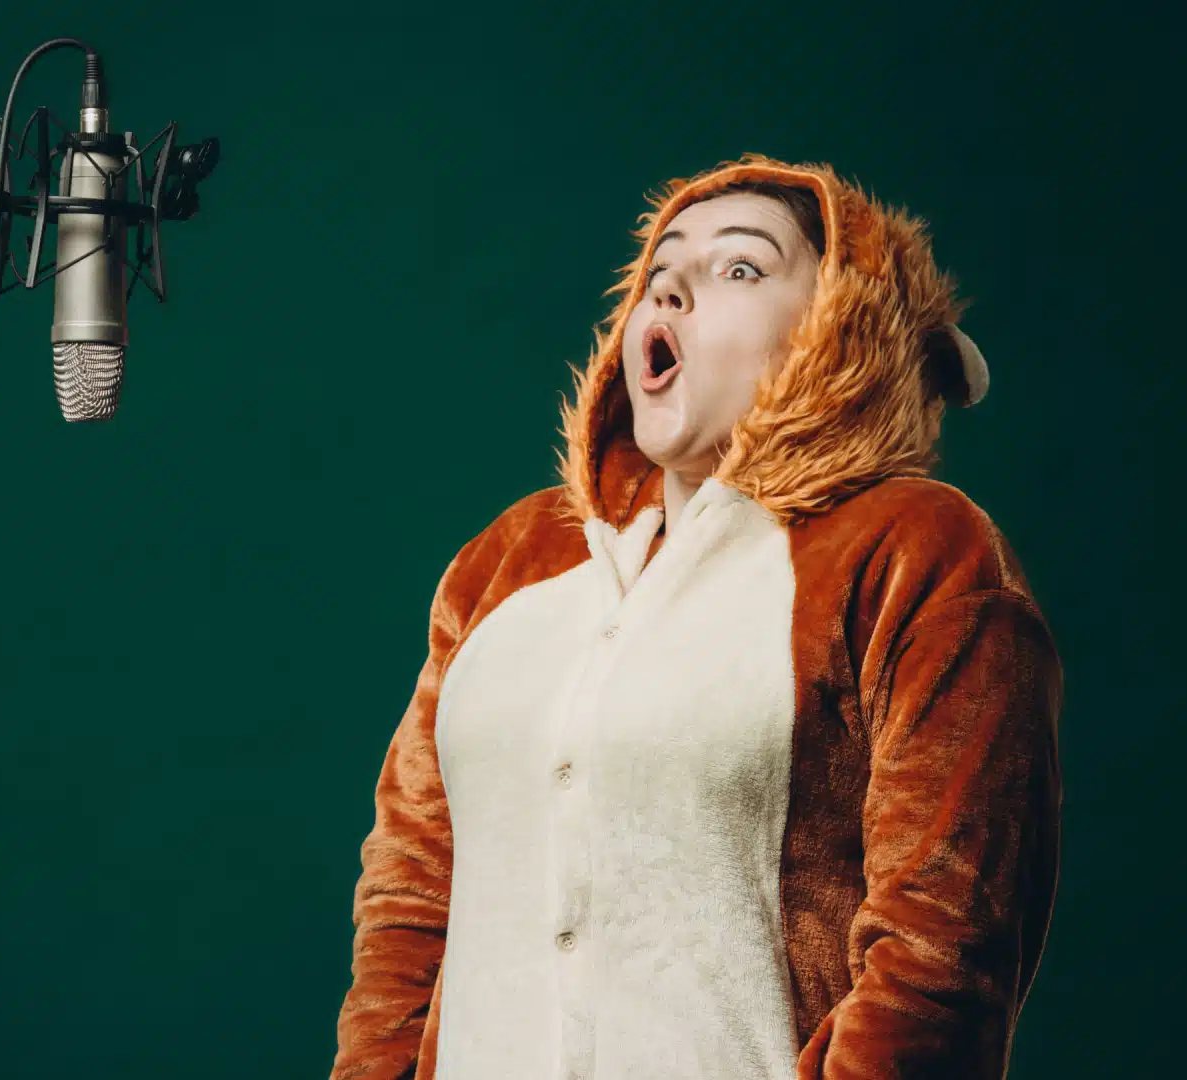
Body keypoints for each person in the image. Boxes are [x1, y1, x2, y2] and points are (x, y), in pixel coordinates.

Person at [327, 154, 1064, 1080]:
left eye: (741, 269)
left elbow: (940, 953)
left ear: (842, 331)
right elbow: (409, 898)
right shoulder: (509, 562)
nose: (672, 291)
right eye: (660, 274)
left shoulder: (915, 551)